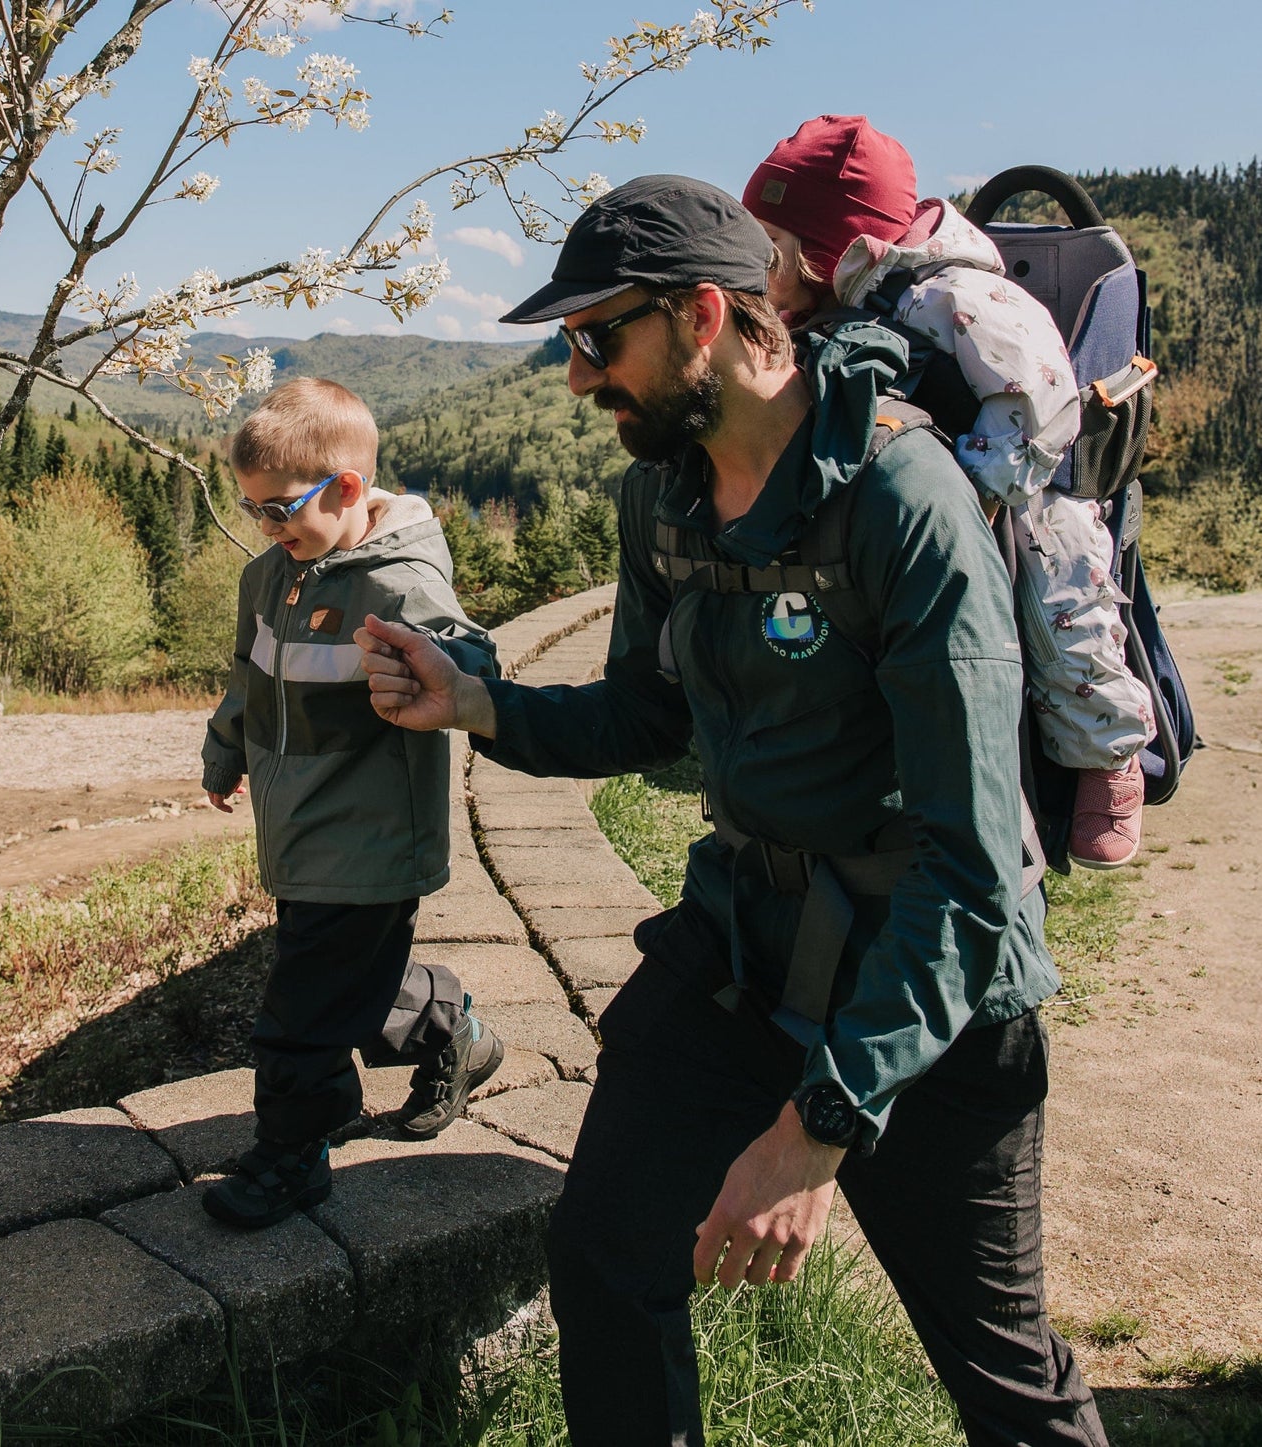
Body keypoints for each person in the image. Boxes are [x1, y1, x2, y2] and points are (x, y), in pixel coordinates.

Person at [355, 176, 1109, 1446]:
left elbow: (970, 866)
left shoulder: (903, 507)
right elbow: (644, 715)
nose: (578, 377)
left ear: (705, 316)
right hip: (742, 945)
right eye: (569, 345)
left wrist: (817, 1127)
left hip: (929, 986)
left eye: (599, 339)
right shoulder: (663, 497)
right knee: (603, 1253)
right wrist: (477, 705)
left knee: (1000, 1374)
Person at [743, 114, 1155, 869]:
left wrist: (968, 490)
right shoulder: (832, 304)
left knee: (1060, 591)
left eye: (768, 255)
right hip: (900, 476)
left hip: (1016, 484)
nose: (756, 275)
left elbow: (1034, 402)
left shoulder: (961, 298)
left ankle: (1105, 748)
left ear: (839, 251)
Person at [200, 376, 505, 1229]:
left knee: (299, 1014)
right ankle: (452, 1029)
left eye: (277, 509)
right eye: (253, 508)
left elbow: (468, 661)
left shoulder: (397, 586)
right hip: (296, 826)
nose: (265, 527)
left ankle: (293, 1153)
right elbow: (248, 676)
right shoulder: (270, 576)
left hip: (371, 838)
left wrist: (459, 666)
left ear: (343, 488)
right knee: (349, 983)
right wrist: (225, 748)